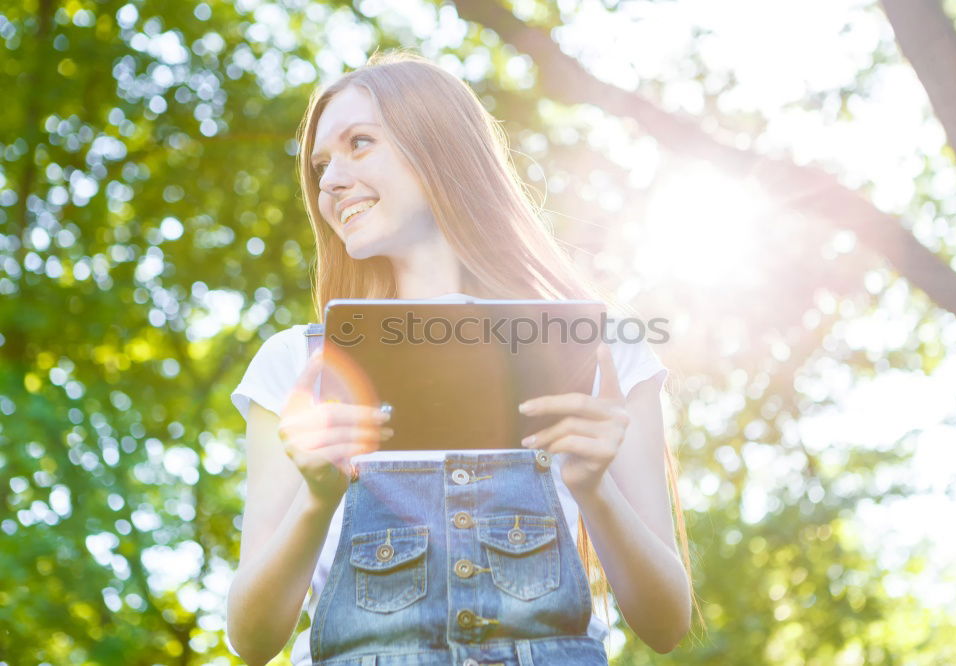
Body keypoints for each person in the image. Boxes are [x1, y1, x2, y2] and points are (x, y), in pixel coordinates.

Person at [226, 49, 694, 666]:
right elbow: (251, 640)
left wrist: (595, 489)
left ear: (441, 147)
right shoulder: (298, 365)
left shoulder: (605, 347)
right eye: (319, 166)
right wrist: (318, 498)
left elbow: (665, 625)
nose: (329, 183)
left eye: (359, 143)